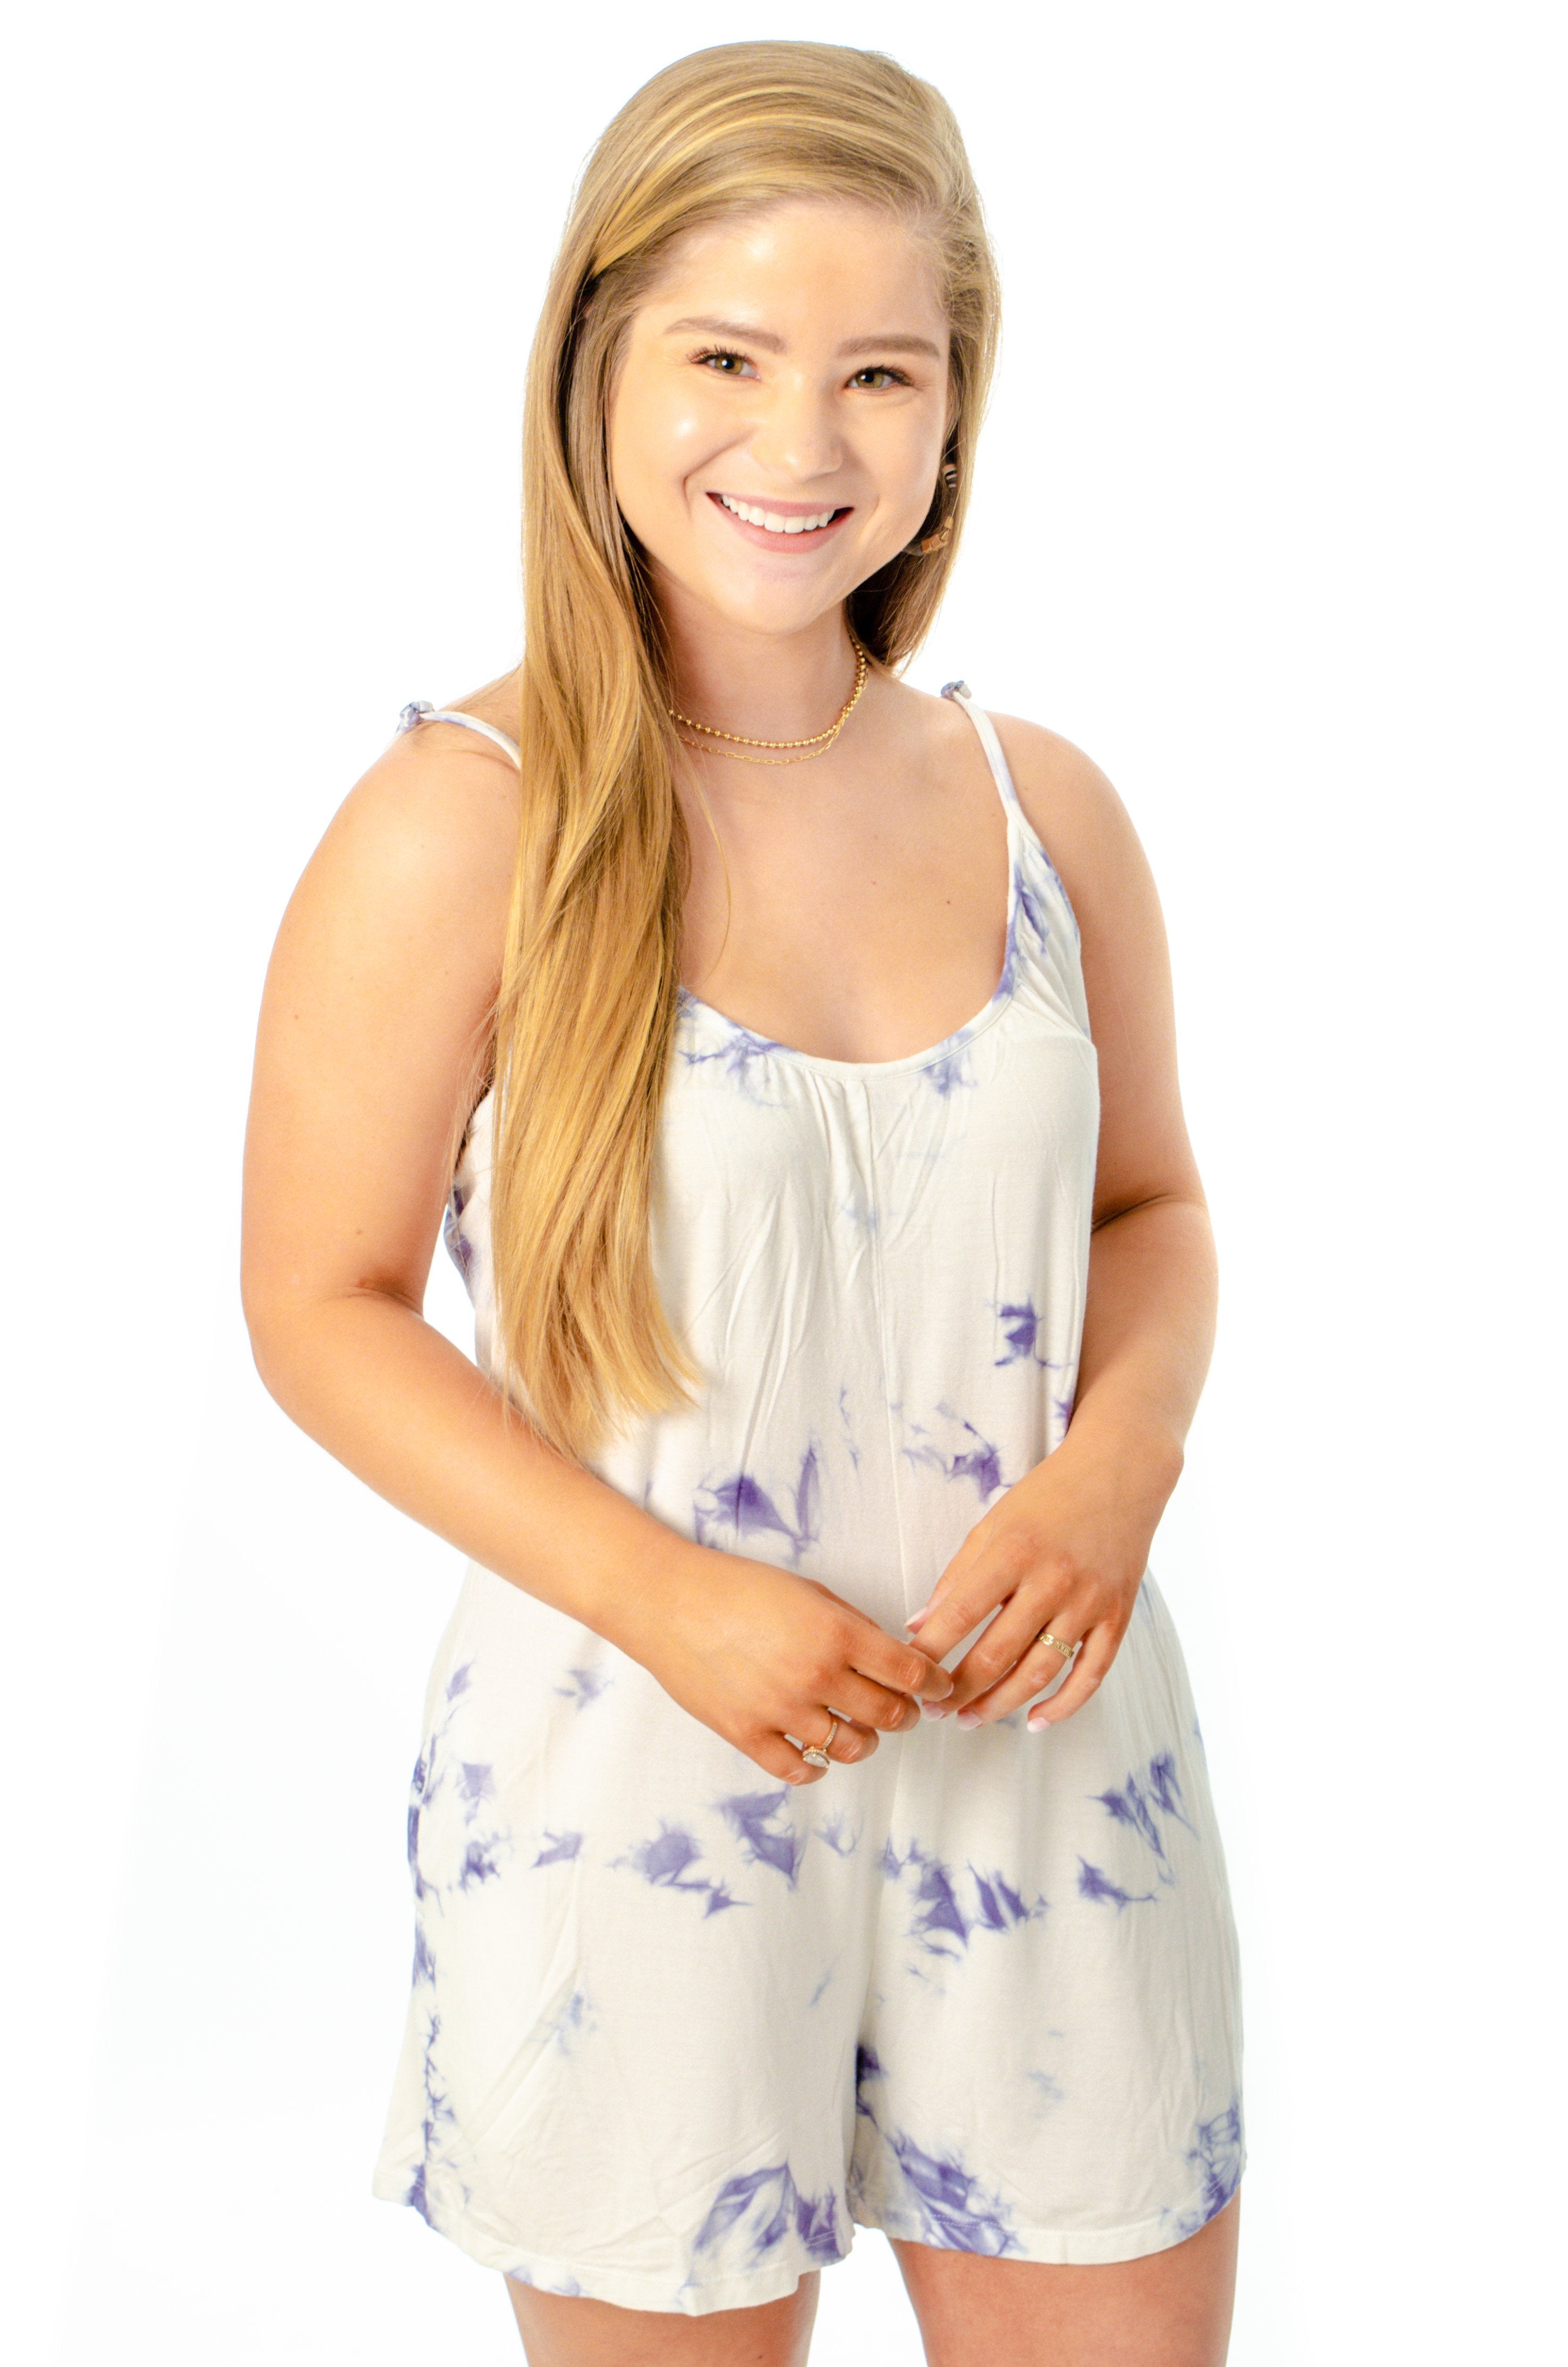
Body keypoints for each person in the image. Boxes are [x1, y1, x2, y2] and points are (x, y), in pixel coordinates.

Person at [241, 39, 1244, 2367]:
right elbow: (321, 1302)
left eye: (880, 370)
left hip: (1053, 1764)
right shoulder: (462, 821)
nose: (802, 441)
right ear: (594, 364)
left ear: (956, 409)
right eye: (726, 357)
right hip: (640, 1785)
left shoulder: (1045, 809)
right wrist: (675, 1603)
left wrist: (1123, 1460)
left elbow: (1155, 1209)